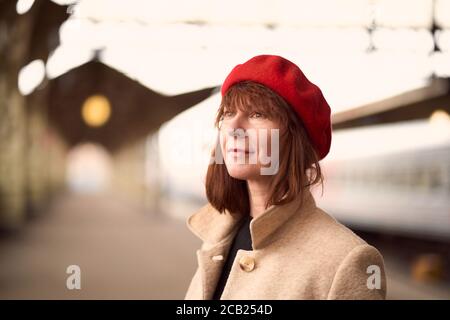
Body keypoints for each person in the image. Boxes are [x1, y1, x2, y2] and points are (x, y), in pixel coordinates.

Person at [184, 54, 386, 300]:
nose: (234, 127)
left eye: (257, 114)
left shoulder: (347, 260)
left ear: (295, 139)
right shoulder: (217, 237)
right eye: (227, 113)